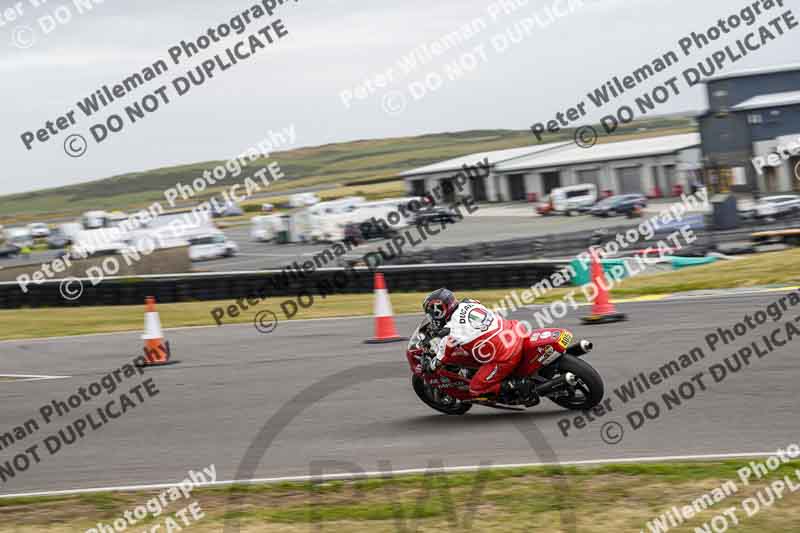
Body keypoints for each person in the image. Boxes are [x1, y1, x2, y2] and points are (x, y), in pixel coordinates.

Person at [422, 288, 536, 399]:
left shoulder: (451, 330)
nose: (431, 317)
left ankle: (519, 386)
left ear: (439, 310)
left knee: (476, 389)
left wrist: (430, 367)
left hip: (505, 354)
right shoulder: (469, 302)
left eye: (431, 313)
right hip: (514, 330)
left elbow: (441, 358)